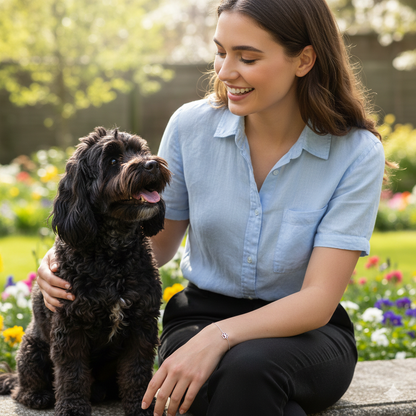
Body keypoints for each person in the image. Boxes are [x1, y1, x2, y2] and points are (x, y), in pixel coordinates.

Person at [37, 0, 389, 415]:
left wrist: (219, 337)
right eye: (221, 51)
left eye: (248, 57)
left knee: (247, 371)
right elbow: (157, 242)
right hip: (197, 317)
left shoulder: (356, 152)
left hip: (306, 331)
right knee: (237, 389)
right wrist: (66, 257)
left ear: (304, 59)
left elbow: (317, 299)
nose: (224, 71)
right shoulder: (190, 126)